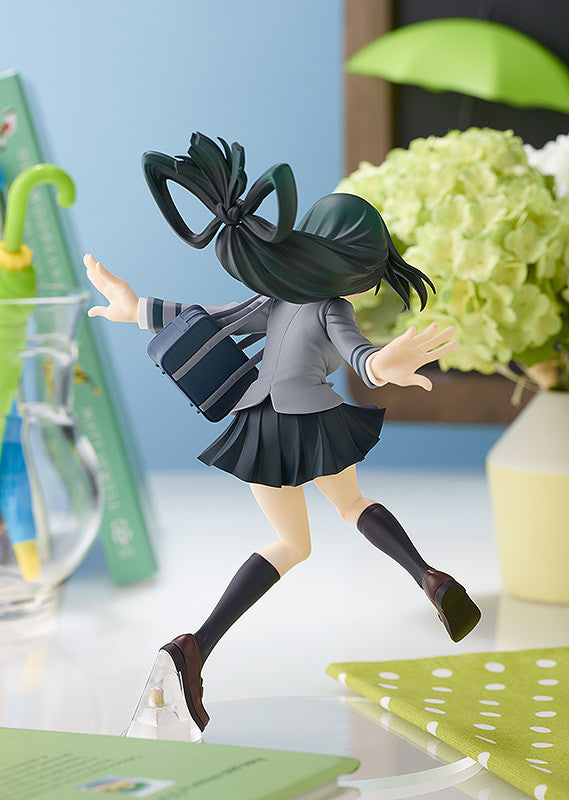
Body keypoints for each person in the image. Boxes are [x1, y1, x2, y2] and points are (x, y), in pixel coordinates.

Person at [84, 133, 481, 733]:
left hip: (258, 423)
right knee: (351, 503)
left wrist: (138, 308)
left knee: (291, 543)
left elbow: (209, 319)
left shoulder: (278, 298)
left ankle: (195, 647)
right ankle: (428, 575)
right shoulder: (333, 308)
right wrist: (384, 366)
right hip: (311, 421)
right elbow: (360, 356)